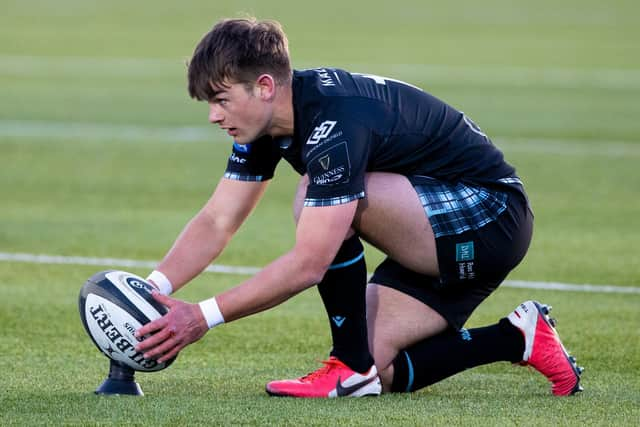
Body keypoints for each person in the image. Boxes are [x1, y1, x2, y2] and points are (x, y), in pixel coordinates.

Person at [135, 17, 583, 398]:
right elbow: (218, 219)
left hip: (488, 216)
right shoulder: (266, 122)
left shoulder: (333, 125)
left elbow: (311, 263)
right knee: (379, 370)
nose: (214, 115)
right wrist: (150, 288)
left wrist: (203, 316)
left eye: (221, 99)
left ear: (265, 87)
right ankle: (517, 338)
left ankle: (346, 363)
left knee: (317, 191)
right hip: (434, 223)